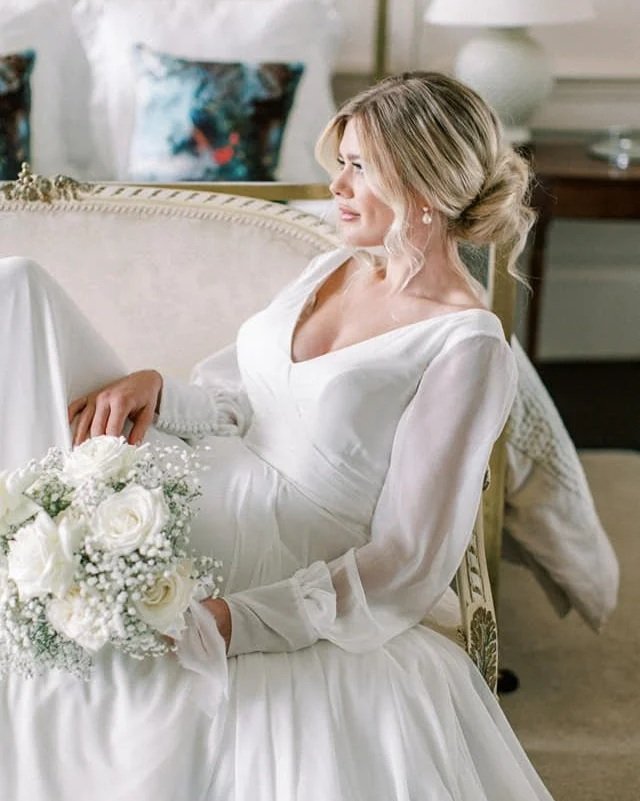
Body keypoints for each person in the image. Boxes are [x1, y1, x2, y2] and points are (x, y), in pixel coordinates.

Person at [0, 72, 553, 801]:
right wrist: (158, 388)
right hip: (204, 465)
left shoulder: (466, 343)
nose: (339, 186)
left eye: (360, 167)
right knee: (20, 289)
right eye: (341, 165)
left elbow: (409, 559)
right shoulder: (337, 265)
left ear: (423, 183)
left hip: (275, 537)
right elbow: (242, 398)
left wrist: (239, 621)